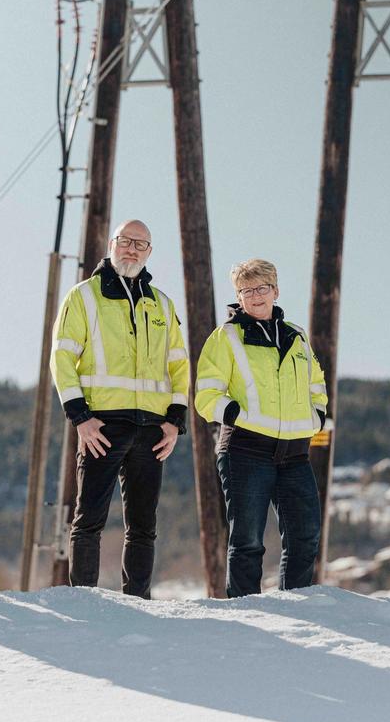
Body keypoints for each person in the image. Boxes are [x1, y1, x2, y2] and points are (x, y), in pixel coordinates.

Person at [51, 219, 188, 598]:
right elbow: (62, 359)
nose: (132, 249)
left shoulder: (161, 304)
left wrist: (175, 421)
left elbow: (179, 366)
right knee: (89, 519)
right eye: (126, 241)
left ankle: (138, 601)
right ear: (112, 244)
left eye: (141, 245)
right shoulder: (83, 296)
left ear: (149, 253)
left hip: (152, 430)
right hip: (101, 426)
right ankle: (84, 600)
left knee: (144, 525)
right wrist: (80, 417)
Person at [195, 259, 327, 598]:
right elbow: (206, 395)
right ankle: (246, 611)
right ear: (239, 297)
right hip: (246, 451)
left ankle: (295, 606)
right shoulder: (226, 336)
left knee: (305, 535)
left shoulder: (296, 335)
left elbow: (317, 383)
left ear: (275, 291)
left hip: (295, 454)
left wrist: (317, 417)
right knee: (248, 540)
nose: (255, 296)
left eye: (261, 288)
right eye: (246, 290)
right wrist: (236, 413)